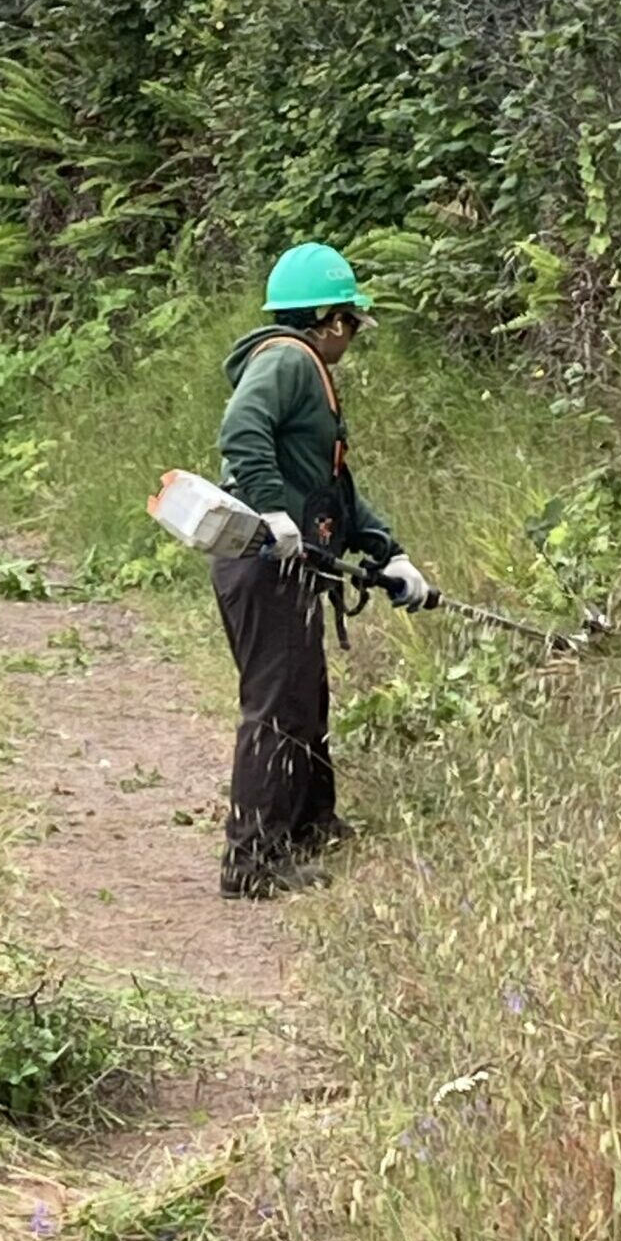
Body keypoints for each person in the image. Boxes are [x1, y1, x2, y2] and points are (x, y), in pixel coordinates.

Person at [212, 243, 435, 900]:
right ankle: (251, 861)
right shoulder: (288, 359)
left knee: (305, 697)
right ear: (331, 319)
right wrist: (272, 511)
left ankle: (311, 825)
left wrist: (387, 552)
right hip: (264, 559)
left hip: (291, 561)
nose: (354, 337)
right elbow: (240, 428)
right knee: (277, 707)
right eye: (353, 323)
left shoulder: (300, 365)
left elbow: (331, 484)